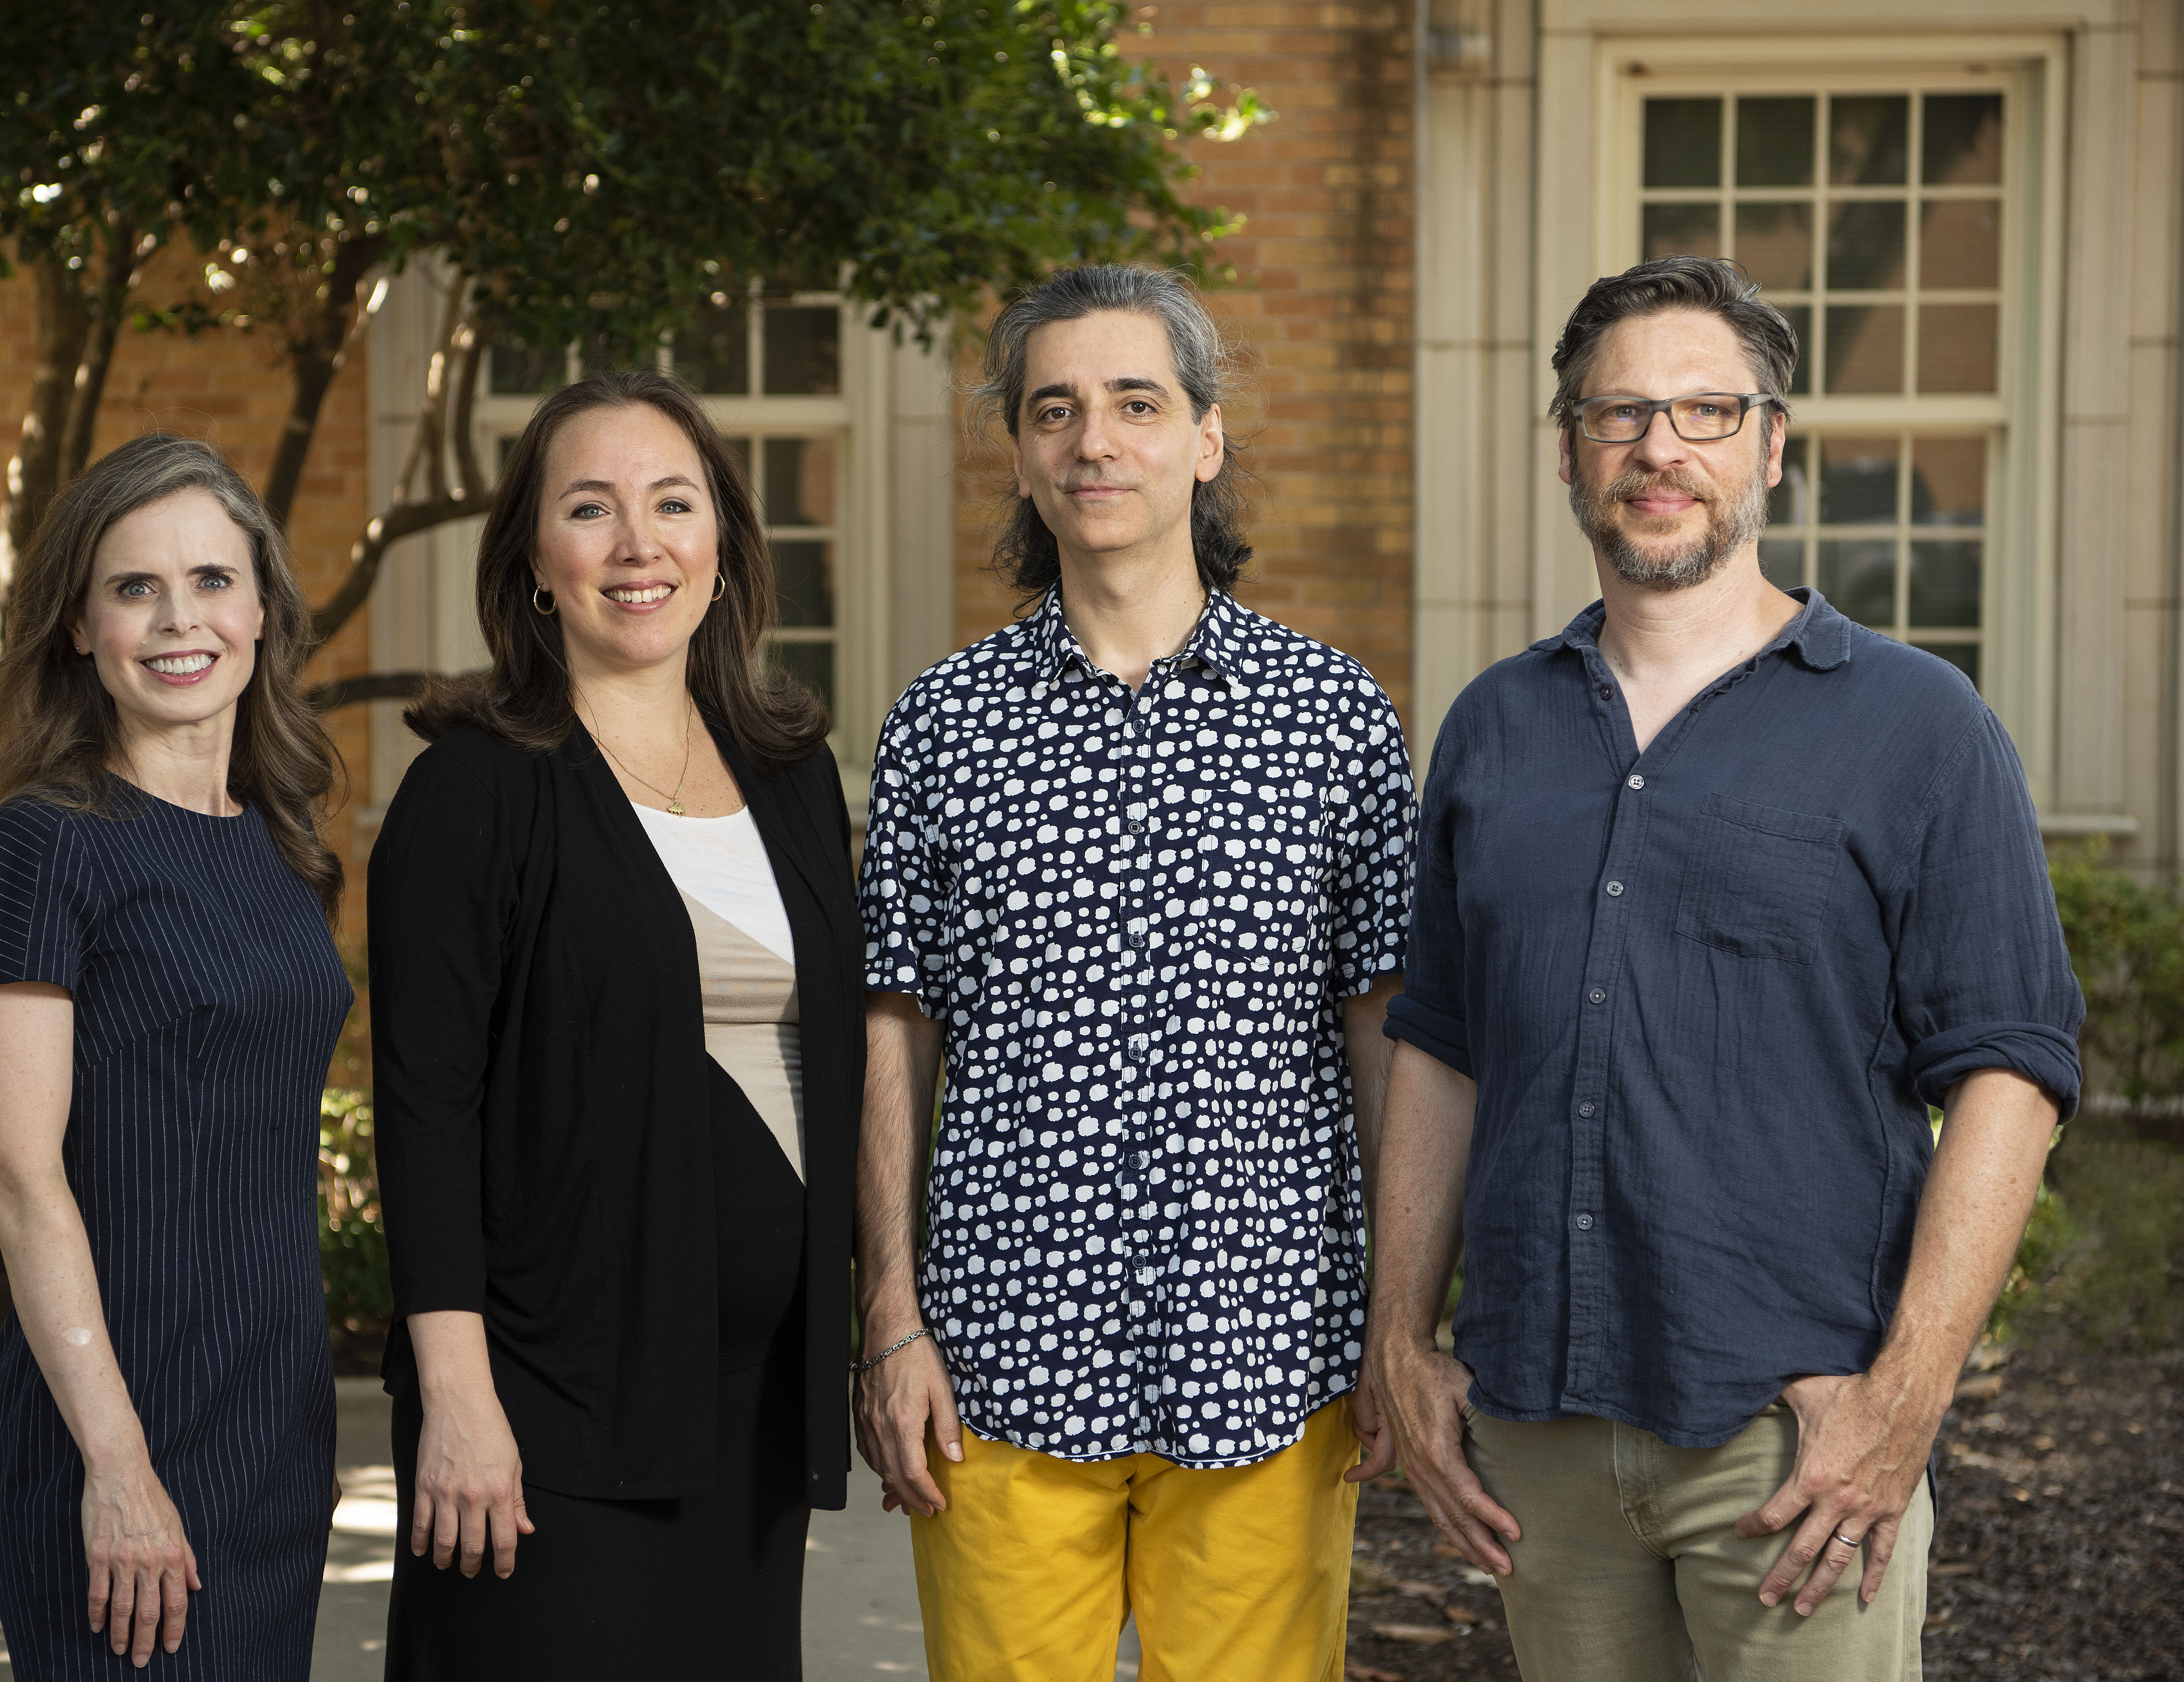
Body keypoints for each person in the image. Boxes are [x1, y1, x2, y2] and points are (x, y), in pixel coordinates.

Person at [1363, 254, 2084, 1681]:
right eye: (1619, 413)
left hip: (1793, 1441)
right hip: (1543, 1441)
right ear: (1568, 449)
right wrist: (1402, 1341)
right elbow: (1439, 1049)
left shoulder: (1919, 727)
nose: (1660, 450)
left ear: (1772, 445)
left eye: (1705, 411)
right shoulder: (1494, 727)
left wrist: (1907, 1396)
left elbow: (2012, 1071)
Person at [855, 264, 1413, 1680]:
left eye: (1135, 404)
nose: (1094, 441)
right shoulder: (944, 723)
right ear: (1024, 453)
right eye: (1056, 410)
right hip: (993, 1355)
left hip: (1270, 1347)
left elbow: (1384, 1031)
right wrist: (891, 1320)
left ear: (1204, 440)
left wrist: (1400, 1328)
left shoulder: (1331, 714)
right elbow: (893, 1036)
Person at [368, 369, 863, 1679]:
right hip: (547, 1422)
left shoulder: (793, 777)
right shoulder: (472, 794)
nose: (639, 545)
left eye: (673, 503)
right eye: (591, 509)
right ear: (536, 557)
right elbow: (424, 1118)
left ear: (722, 546)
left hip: (749, 1422)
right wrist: (459, 1405)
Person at [0, 433, 351, 1676]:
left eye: (212, 581)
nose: (181, 621)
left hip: (275, 1420)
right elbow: (19, 1179)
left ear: (264, 609)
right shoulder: (41, 849)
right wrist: (118, 1468)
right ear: (78, 626)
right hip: (118, 1426)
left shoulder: (283, 849)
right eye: (135, 588)